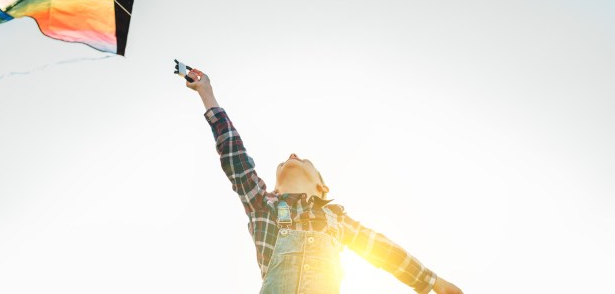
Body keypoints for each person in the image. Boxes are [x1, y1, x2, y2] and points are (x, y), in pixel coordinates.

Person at [185, 68, 463, 294]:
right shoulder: (264, 205)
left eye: (305, 160)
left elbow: (382, 249)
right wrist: (207, 93)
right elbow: (234, 154)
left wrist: (432, 282)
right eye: (283, 162)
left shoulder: (338, 221)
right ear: (276, 188)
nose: (292, 155)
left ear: (322, 186)